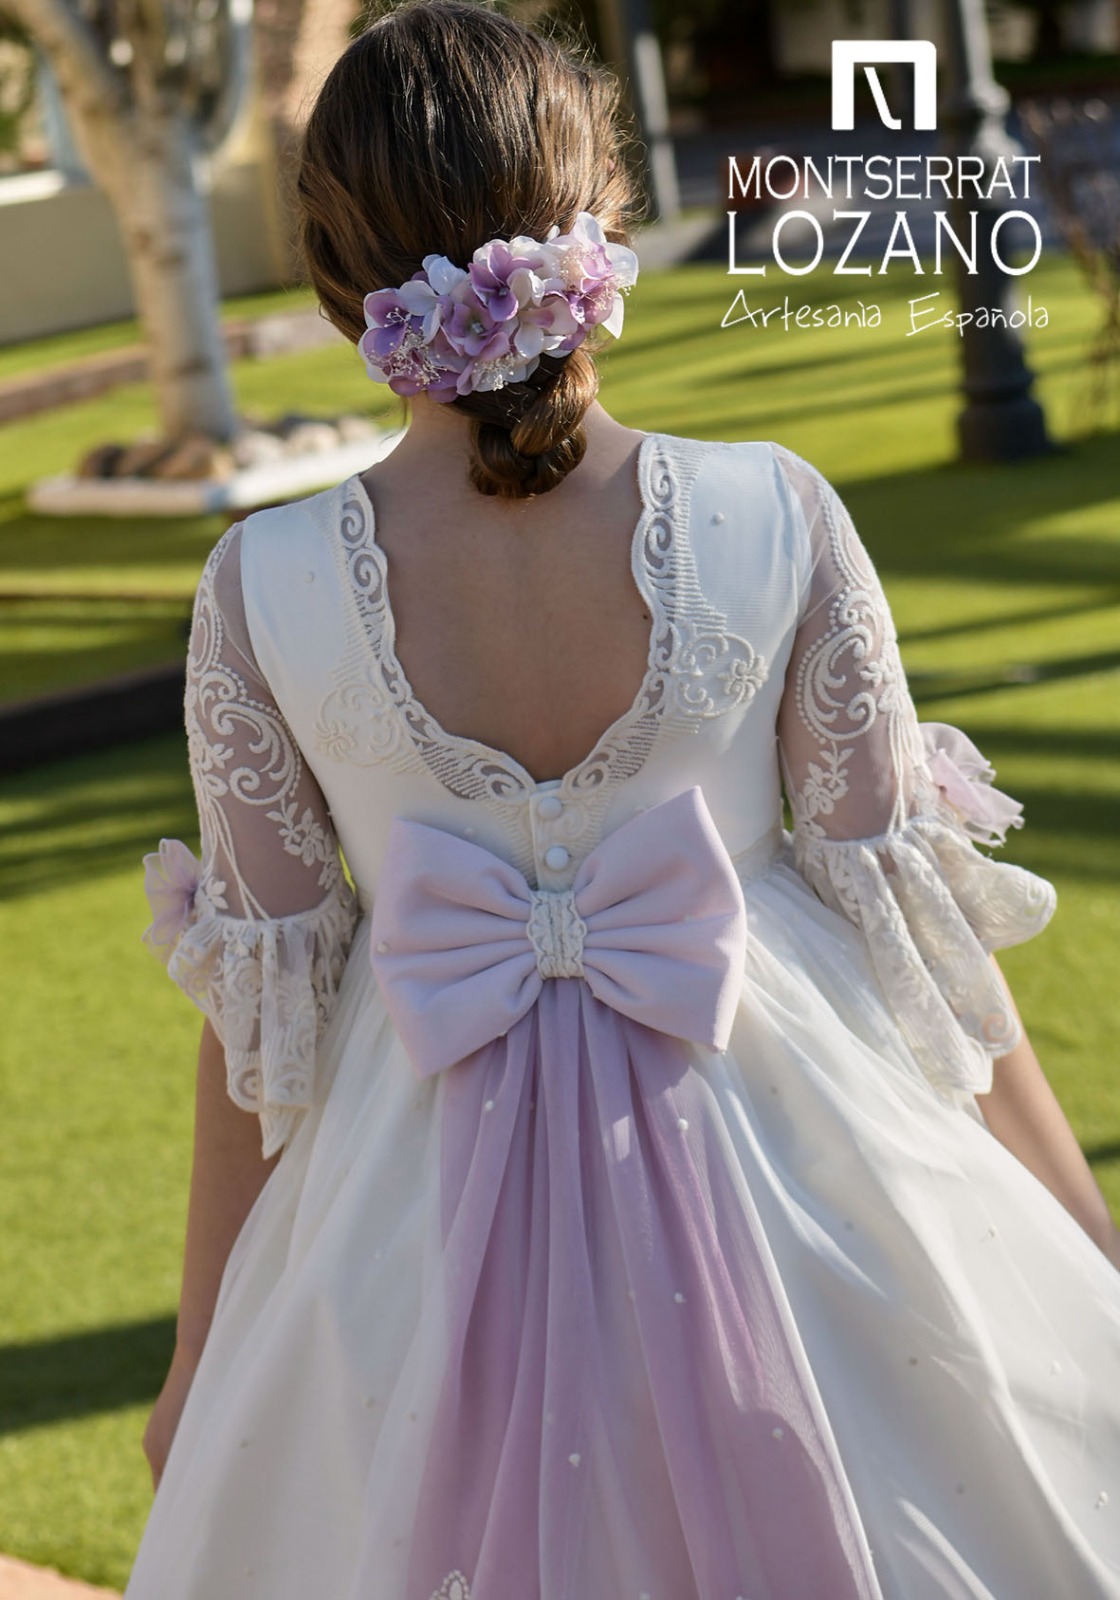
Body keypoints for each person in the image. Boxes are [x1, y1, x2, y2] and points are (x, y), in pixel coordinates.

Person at [126, 3, 1120, 1596]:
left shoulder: (263, 584)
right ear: (602, 220)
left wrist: (203, 1359)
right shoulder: (775, 509)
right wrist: (1085, 1238)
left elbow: (263, 1025)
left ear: (331, 270)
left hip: (404, 1204)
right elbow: (915, 940)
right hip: (797, 1155)